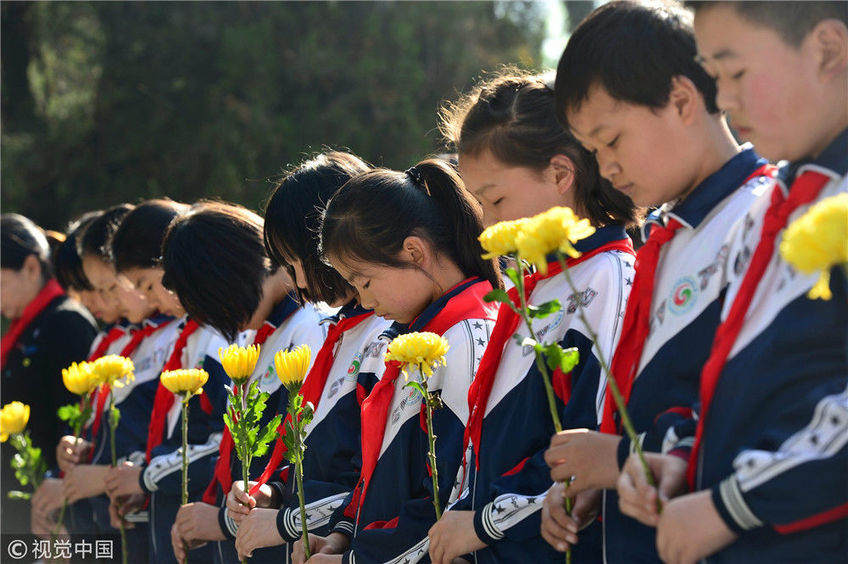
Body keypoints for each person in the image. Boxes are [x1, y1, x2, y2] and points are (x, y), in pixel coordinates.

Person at [543, 2, 775, 561]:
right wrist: (598, 480)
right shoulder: (671, 236)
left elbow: (766, 411)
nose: (606, 169)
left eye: (612, 140)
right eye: (593, 152)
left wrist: (620, 458)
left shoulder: (764, 218)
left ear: (681, 100)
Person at [616, 3, 848, 563]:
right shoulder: (776, 201)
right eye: (715, 78)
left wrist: (731, 505)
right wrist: (686, 458)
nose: (723, 101)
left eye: (736, 73)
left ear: (827, 50)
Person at [427, 70, 638, 564]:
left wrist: (481, 525)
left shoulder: (609, 278)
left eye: (496, 199)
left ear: (562, 175)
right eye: (479, 202)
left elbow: (592, 454)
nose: (487, 222)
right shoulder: (532, 289)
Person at [291, 159, 501, 563]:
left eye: (364, 282)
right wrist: (342, 536)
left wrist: (359, 560)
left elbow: (452, 498)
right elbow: (377, 475)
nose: (365, 301)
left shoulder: (468, 337)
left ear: (414, 251)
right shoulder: (416, 337)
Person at [223, 152, 393, 560]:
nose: (298, 282)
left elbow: (375, 482)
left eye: (300, 262)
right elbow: (320, 457)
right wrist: (273, 491)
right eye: (286, 267)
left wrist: (286, 519)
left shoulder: (388, 332)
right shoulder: (338, 330)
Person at [163, 201, 326, 564]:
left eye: (208, 305)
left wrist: (222, 521)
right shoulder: (261, 332)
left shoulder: (312, 325)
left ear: (225, 276)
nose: (212, 319)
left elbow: (312, 459)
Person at [98, 199, 230, 563]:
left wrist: (144, 475)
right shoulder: (192, 336)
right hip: (175, 523)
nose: (149, 298)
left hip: (215, 532)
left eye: (147, 284)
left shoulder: (216, 338)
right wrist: (139, 477)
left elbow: (223, 445)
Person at [65, 204, 182, 561]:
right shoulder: (121, 338)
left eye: (110, 287)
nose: (98, 302)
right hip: (115, 510)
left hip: (158, 512)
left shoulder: (179, 335)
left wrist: (107, 478)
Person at [30, 211, 133, 537]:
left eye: (100, 287)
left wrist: (92, 479)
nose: (88, 299)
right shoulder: (110, 338)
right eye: (81, 287)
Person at [0, 213, 98, 533]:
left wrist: (59, 487)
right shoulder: (25, 328)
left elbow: (78, 423)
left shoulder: (65, 322)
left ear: (30, 268)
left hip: (54, 508)